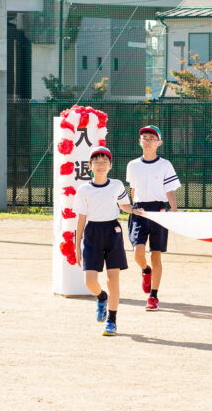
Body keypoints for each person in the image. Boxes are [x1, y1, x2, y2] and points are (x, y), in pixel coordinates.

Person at [74, 147, 136, 336]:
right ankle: (101, 297)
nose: (101, 166)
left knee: (113, 278)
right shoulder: (84, 190)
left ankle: (112, 321)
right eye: (97, 162)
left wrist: (135, 209)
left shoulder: (116, 185)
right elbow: (81, 219)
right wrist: (77, 247)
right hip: (92, 233)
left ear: (110, 165)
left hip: (113, 231)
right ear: (90, 166)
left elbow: (124, 205)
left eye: (104, 162)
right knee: (90, 281)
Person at [126, 126, 180, 312]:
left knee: (156, 254)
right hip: (140, 211)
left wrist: (173, 211)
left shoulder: (165, 164)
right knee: (138, 253)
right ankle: (145, 270)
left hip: (159, 210)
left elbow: (170, 190)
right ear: (139, 141)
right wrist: (133, 208)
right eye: (144, 137)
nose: (147, 141)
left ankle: (153, 296)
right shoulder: (133, 165)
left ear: (159, 143)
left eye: (151, 138)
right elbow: (133, 189)